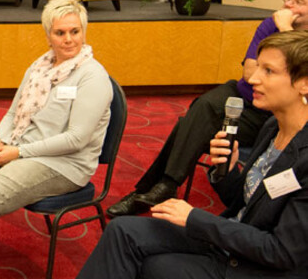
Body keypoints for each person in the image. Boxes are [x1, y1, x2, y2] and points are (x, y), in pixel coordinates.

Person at [78, 30, 308, 278]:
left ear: (304, 82)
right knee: (122, 231)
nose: (253, 79)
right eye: (258, 67)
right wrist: (228, 172)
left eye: (268, 71)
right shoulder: (272, 128)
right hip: (234, 238)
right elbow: (244, 203)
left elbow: (282, 252)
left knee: (157, 267)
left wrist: (195, 219)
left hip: (259, 266)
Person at [108, 0, 308, 216]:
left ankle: (159, 187)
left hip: (271, 115)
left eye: (299, 2)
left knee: (194, 123)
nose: (288, 5)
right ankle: (164, 186)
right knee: (203, 107)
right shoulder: (270, 24)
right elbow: (249, 74)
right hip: (244, 95)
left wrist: (286, 32)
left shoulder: (281, 27)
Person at [0, 0, 112, 224]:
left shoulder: (93, 77)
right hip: (20, 148)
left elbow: (76, 139)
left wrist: (18, 152)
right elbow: (13, 114)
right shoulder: (40, 66)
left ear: (84, 33)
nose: (69, 39)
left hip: (63, 164)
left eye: (75, 32)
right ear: (48, 37)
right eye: (60, 33)